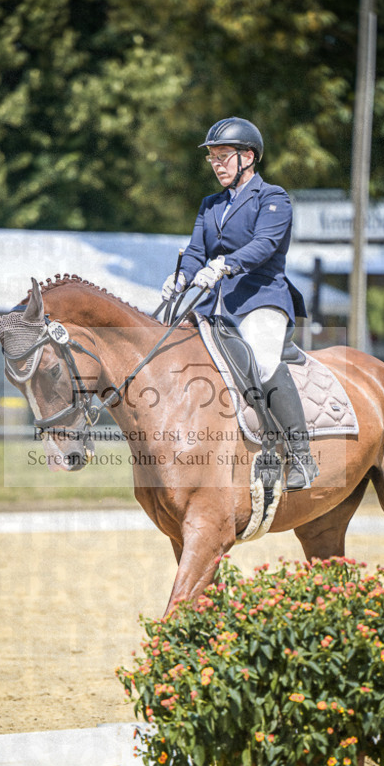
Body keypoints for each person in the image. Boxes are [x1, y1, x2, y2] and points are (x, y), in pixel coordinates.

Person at [161, 116, 318, 489]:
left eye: (223, 156)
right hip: (213, 305)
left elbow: (264, 245)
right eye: (212, 158)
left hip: (261, 298)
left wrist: (224, 265)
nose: (216, 164)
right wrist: (181, 276)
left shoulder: (273, 198)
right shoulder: (210, 205)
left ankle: (300, 455)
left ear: (248, 156)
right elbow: (197, 251)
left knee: (262, 362)